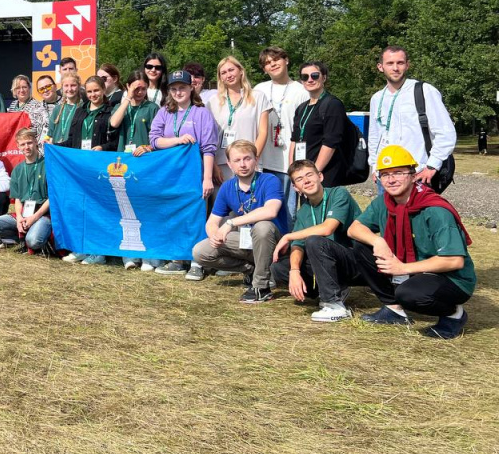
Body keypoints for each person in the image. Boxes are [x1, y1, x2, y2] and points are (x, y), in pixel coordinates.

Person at [311, 145, 476, 339]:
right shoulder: (385, 201)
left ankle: (454, 314)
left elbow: (454, 261)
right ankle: (394, 309)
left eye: (398, 172)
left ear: (413, 175)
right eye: (385, 174)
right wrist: (377, 240)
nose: (391, 179)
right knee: (361, 245)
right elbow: (354, 229)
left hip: (451, 278)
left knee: (410, 294)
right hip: (411, 270)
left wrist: (403, 268)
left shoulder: (435, 210)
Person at [191, 140, 288, 301]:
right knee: (200, 252)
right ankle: (251, 270)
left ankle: (261, 287)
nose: (242, 164)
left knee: (262, 227)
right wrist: (214, 235)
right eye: (237, 160)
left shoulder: (269, 180)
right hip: (248, 241)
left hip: (275, 244)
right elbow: (212, 222)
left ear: (256, 160)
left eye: (247, 158)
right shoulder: (227, 187)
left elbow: (271, 211)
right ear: (229, 164)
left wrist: (231, 223)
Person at [271, 159, 362, 322]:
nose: (305, 181)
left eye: (309, 175)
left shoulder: (338, 193)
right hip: (324, 261)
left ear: (320, 176)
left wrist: (288, 235)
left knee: (314, 241)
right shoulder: (304, 210)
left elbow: (327, 228)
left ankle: (334, 304)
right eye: (299, 179)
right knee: (279, 268)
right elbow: (297, 246)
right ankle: (326, 292)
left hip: (353, 261)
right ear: (295, 187)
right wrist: (294, 271)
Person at [150, 69, 219, 275]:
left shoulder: (201, 112)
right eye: (174, 89)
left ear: (191, 88)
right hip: (170, 176)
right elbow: (154, 140)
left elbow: (208, 148)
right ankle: (178, 259)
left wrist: (207, 179)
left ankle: (198, 262)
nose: (178, 92)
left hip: (194, 175)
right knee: (175, 215)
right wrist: (177, 140)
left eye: (182, 88)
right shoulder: (164, 112)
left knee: (196, 215)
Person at [367, 46, 457, 187]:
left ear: (407, 65)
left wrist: (432, 166)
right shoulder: (377, 98)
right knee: (387, 210)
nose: (395, 68)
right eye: (390, 63)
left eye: (400, 63)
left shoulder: (424, 91)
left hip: (416, 175)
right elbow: (374, 136)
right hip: (386, 175)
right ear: (380, 67)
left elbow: (446, 133)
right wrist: (374, 165)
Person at [254, 47, 309, 222]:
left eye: (276, 59)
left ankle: (287, 247)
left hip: (288, 162)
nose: (273, 64)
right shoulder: (259, 90)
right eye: (268, 63)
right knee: (263, 210)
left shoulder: (301, 91)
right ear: (264, 69)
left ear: (286, 60)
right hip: (264, 161)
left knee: (288, 212)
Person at [207, 56, 270, 182]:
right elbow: (208, 138)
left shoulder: (258, 97)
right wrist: (213, 166)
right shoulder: (212, 102)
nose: (228, 75)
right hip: (222, 164)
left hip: (249, 163)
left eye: (231, 70)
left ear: (241, 71)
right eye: (223, 73)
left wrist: (252, 158)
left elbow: (263, 132)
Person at [0, 127, 51, 254]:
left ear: (35, 142)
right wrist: (19, 219)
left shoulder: (48, 165)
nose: (26, 147)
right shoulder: (17, 170)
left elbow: (52, 199)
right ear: (18, 146)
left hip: (42, 214)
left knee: (33, 241)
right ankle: (22, 235)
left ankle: (37, 237)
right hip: (24, 213)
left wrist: (34, 217)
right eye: (23, 144)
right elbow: (17, 199)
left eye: (29, 143)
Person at [289, 61, 349, 188]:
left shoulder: (332, 104)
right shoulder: (301, 108)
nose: (310, 80)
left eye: (314, 75)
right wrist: (293, 173)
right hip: (304, 173)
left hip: (324, 174)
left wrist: (314, 173)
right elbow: (294, 140)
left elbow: (331, 142)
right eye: (305, 77)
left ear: (324, 77)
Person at [61, 76, 118, 152]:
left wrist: (103, 147)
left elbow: (116, 142)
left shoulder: (111, 112)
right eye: (89, 91)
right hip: (80, 159)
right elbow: (71, 141)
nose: (93, 94)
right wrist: (52, 145)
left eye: (96, 90)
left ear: (103, 89)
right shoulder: (79, 111)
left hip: (99, 159)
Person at [109, 70, 158, 155]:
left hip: (144, 156)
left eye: (143, 89)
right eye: (136, 89)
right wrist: (128, 97)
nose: (140, 92)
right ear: (128, 86)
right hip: (123, 156)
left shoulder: (152, 108)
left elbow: (159, 137)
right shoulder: (120, 107)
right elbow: (114, 123)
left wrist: (148, 147)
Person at [7, 74, 49, 147]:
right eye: (18, 88)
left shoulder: (38, 106)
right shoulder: (12, 105)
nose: (22, 90)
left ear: (29, 88)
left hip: (30, 147)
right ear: (14, 90)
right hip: (14, 148)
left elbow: (42, 130)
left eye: (24, 87)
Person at [47, 74, 82, 145]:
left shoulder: (82, 108)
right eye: (66, 86)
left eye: (73, 85)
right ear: (62, 87)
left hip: (72, 150)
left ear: (78, 87)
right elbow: (50, 134)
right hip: (57, 150)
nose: (69, 89)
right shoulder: (57, 109)